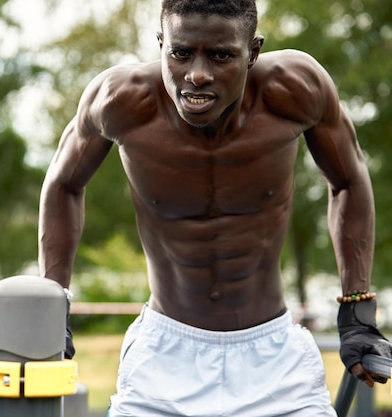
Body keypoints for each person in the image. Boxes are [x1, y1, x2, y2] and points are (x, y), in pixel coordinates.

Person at [37, 0, 392, 415]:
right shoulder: (120, 101)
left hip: (274, 360)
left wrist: (357, 310)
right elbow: (63, 184)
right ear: (160, 43)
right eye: (180, 53)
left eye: (221, 55)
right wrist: (51, 304)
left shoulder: (296, 91)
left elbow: (349, 180)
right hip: (163, 362)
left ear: (253, 52)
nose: (197, 75)